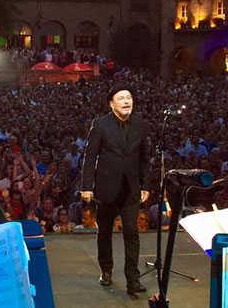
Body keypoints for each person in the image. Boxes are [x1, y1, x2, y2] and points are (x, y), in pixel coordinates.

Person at [80, 82, 150, 295]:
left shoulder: (140, 124)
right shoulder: (100, 125)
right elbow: (90, 156)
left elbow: (144, 158)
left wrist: (145, 185)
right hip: (106, 187)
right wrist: (86, 186)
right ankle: (106, 270)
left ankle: (133, 279)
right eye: (121, 98)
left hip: (130, 188)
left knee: (132, 233)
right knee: (105, 232)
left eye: (129, 97)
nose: (126, 101)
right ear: (111, 104)